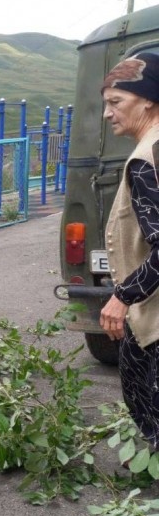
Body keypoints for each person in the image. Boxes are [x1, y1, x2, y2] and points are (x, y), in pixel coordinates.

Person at [99, 52, 159, 451]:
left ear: (149, 99)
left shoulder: (145, 160)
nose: (107, 114)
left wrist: (122, 297)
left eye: (116, 102)